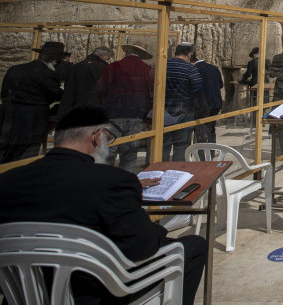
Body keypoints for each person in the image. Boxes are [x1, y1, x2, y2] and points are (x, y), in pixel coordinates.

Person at [0, 106, 207, 305]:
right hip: (93, 294)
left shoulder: (8, 181)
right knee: (194, 246)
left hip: (21, 293)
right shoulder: (112, 181)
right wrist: (157, 229)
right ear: (97, 136)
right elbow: (142, 247)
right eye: (108, 137)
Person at [0, 41, 66, 163]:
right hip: (32, 118)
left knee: (4, 151)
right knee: (27, 154)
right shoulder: (46, 74)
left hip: (7, 114)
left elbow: (4, 92)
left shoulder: (14, 69)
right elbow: (56, 94)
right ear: (54, 58)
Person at [96, 43, 154, 171]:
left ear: (126, 52)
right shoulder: (147, 69)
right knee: (130, 152)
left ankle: (104, 180)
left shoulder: (113, 66)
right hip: (136, 115)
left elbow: (101, 88)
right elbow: (151, 93)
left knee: (109, 150)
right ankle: (126, 181)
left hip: (113, 113)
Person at [162, 43, 203, 161]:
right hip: (184, 109)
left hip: (164, 109)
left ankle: (160, 172)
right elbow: (197, 88)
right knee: (181, 145)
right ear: (189, 54)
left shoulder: (163, 65)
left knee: (164, 144)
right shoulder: (190, 68)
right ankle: (177, 173)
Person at [57, 46, 112, 119]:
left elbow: (68, 91)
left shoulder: (75, 67)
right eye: (107, 59)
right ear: (103, 56)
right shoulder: (105, 68)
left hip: (74, 111)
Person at [191, 53, 223, 144]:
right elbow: (221, 85)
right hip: (216, 103)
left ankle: (202, 154)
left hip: (202, 104)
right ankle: (211, 153)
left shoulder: (194, 69)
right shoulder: (214, 68)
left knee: (201, 131)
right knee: (211, 129)